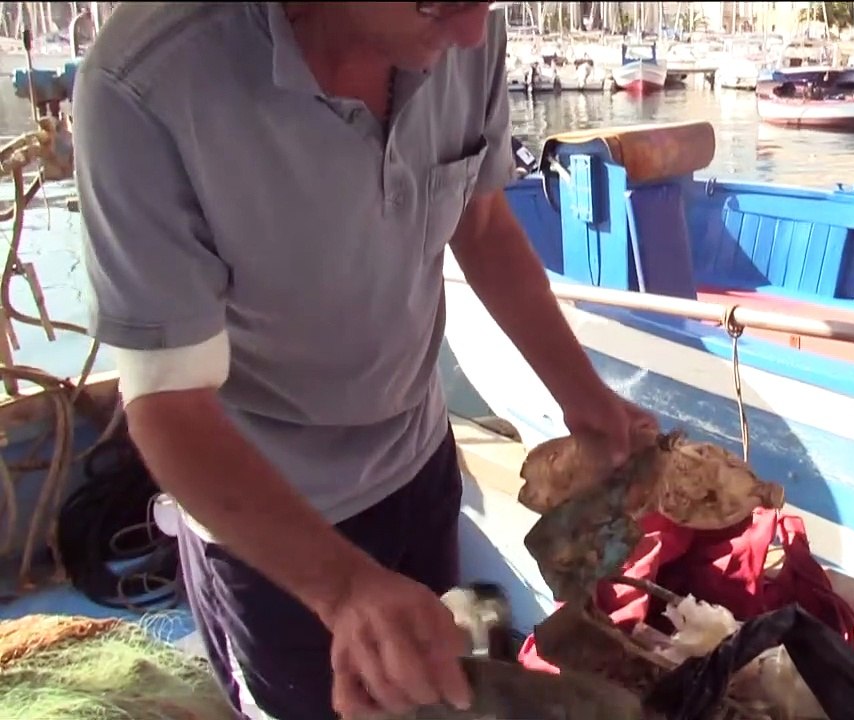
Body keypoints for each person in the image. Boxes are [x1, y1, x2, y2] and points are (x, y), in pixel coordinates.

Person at [74, 3, 656, 719]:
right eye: (440, 2)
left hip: (422, 464)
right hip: (276, 526)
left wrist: (583, 395)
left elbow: (482, 225)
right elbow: (168, 406)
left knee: (448, 697)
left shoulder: (465, 28)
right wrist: (341, 589)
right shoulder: (143, 88)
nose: (475, 34)